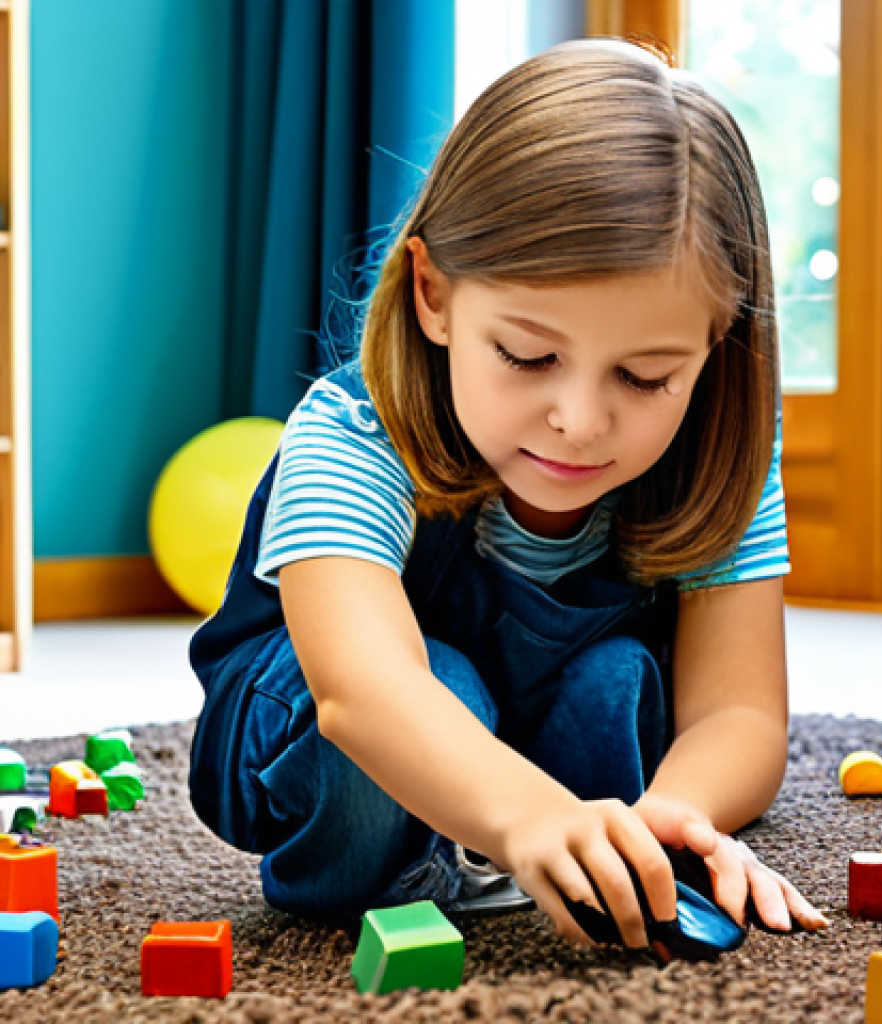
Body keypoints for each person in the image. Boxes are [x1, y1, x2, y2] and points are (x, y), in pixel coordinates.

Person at [188, 37, 829, 952]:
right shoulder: (349, 432)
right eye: (528, 357)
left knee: (619, 685)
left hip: (536, 716)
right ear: (435, 296)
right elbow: (363, 693)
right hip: (334, 712)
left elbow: (740, 713)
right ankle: (444, 852)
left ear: (715, 345)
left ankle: (527, 839)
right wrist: (528, 813)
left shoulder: (720, 449)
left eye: (646, 377)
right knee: (435, 691)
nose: (580, 421)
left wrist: (678, 813)